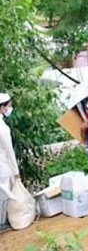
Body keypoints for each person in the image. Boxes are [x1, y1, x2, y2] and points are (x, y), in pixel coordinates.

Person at [0, 93, 18, 232]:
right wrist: (16, 171)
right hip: (2, 165)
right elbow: (9, 150)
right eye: (9, 106)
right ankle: (1, 224)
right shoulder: (2, 127)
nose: (10, 108)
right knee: (3, 195)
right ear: (2, 108)